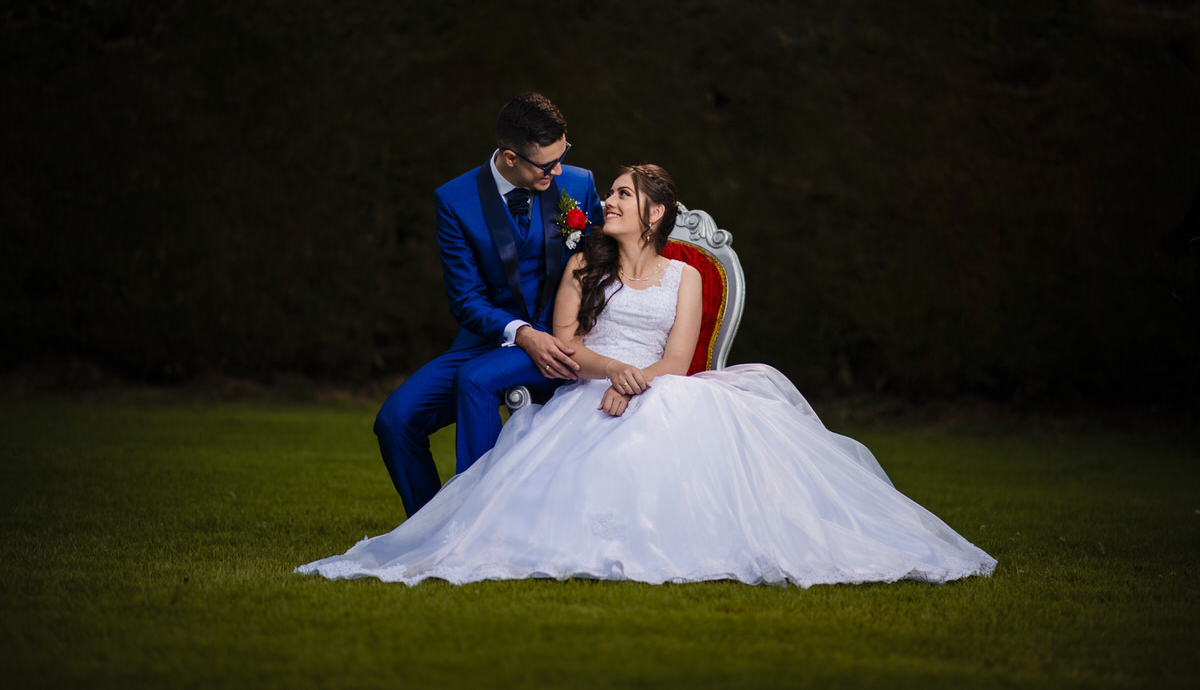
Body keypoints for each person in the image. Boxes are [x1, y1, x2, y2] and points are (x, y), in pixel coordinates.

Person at [300, 165, 996, 586]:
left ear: (655, 214)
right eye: (610, 193)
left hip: (664, 390)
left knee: (667, 435)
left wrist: (636, 382)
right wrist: (611, 372)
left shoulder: (686, 276)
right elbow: (567, 343)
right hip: (588, 384)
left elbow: (680, 357)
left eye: (623, 195)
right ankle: (463, 529)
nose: (607, 200)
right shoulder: (584, 264)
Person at [373, 92, 603, 516]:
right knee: (395, 421)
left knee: (476, 382)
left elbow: (603, 267)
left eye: (563, 155)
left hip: (562, 337)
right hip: (489, 337)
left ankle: (479, 522)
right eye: (547, 164)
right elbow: (466, 299)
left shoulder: (578, 184)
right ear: (510, 157)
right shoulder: (455, 201)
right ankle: (430, 527)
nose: (558, 170)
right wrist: (522, 333)